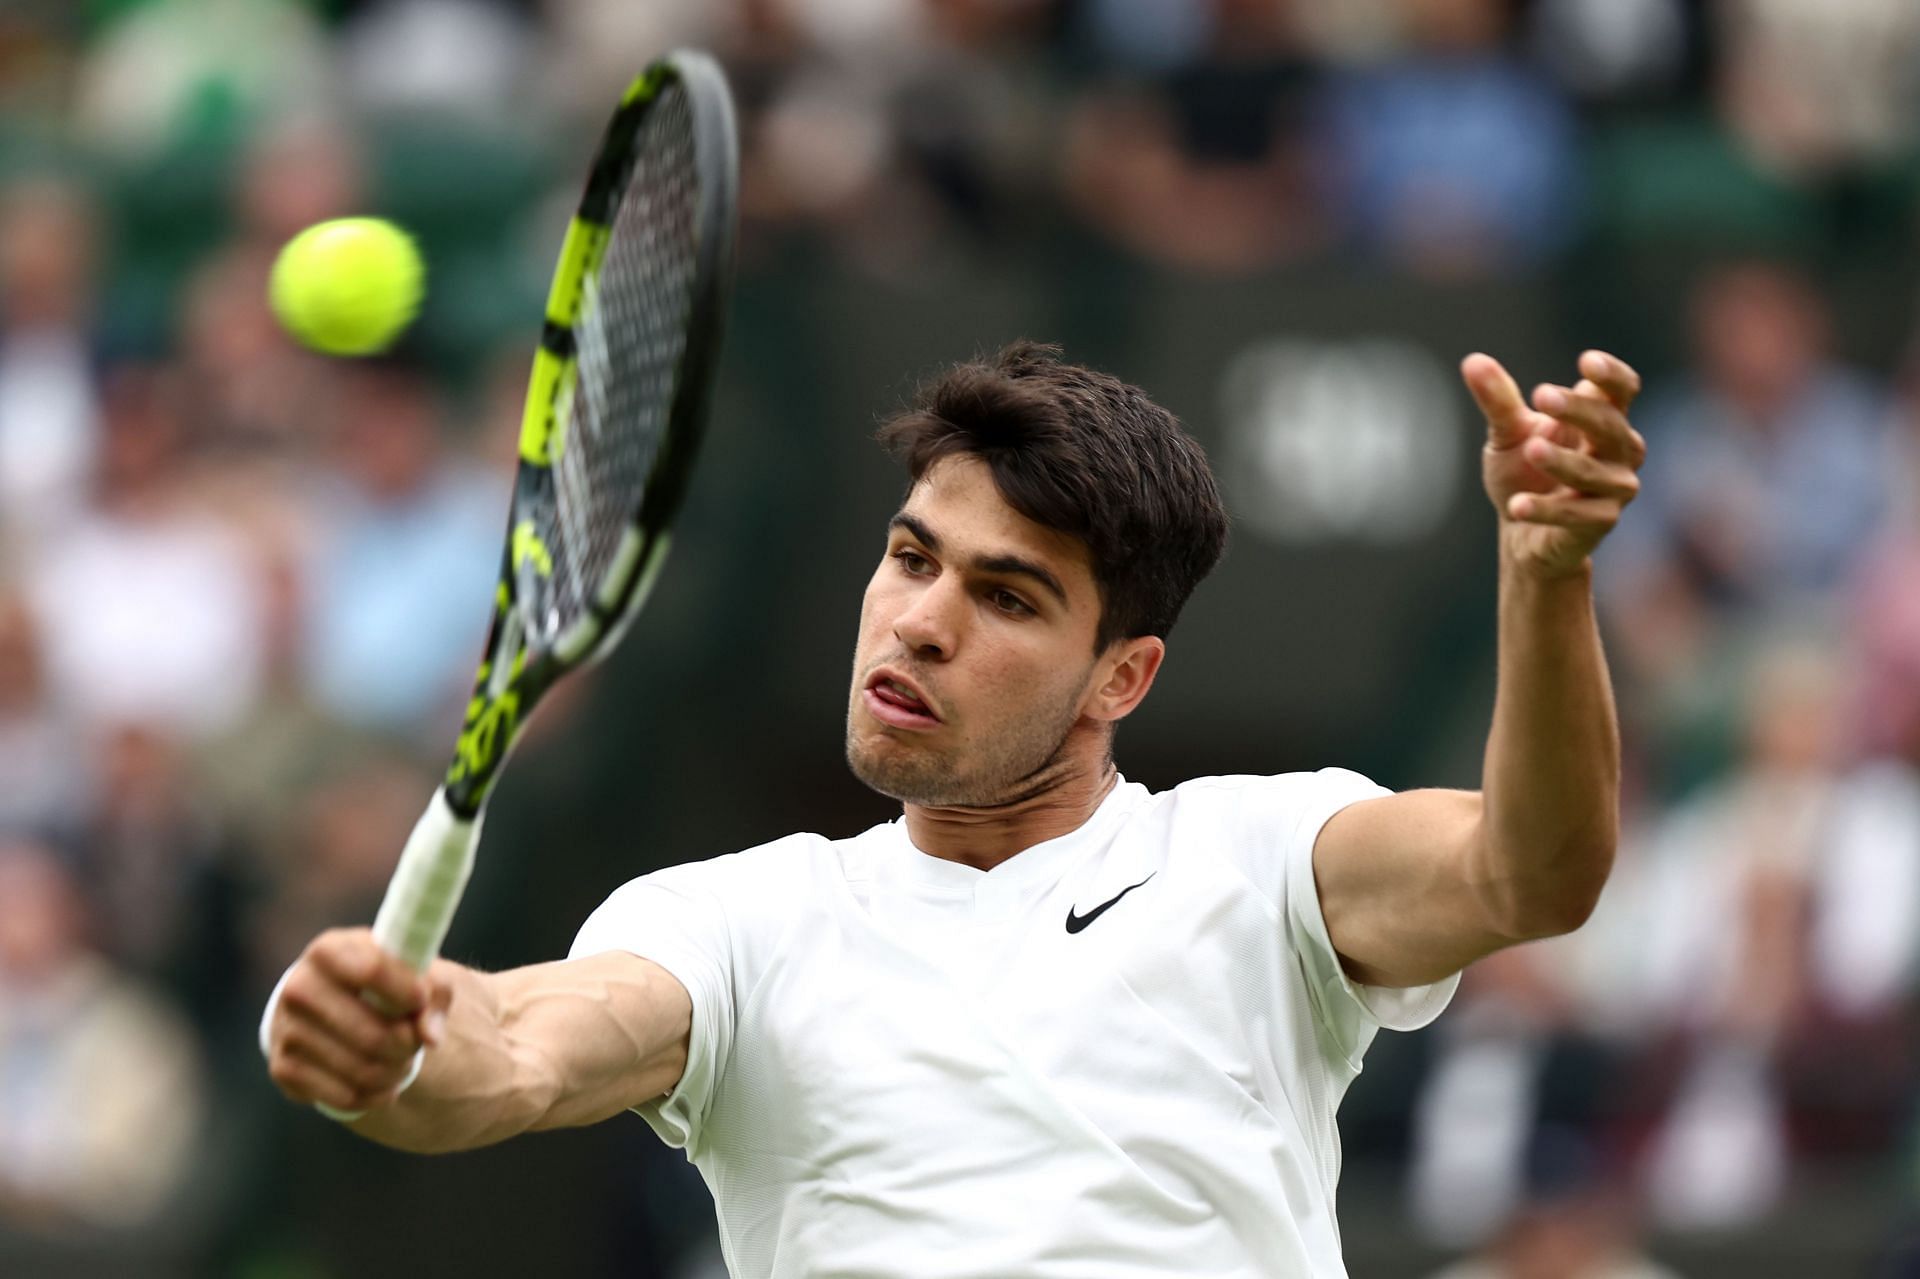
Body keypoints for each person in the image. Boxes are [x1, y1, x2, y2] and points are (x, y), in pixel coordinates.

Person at [262, 341, 1647, 1277]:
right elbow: (515, 1052)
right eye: (912, 558)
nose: (920, 623)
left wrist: (1547, 577)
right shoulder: (738, 918)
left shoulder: (1266, 858)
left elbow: (1532, 874)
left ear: (1125, 675)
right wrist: (392, 1044)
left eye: (1006, 596)